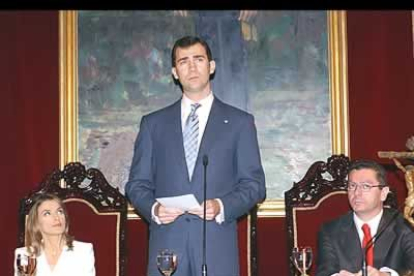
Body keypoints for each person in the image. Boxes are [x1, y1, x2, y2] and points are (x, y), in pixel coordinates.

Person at [125, 35, 266, 276]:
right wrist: (155, 210)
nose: (191, 67)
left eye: (198, 59)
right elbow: (136, 185)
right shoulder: (153, 124)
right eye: (183, 61)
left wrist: (221, 206)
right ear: (174, 72)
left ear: (211, 67)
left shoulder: (239, 123)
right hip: (167, 250)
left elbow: (255, 186)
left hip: (216, 250)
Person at [315, 159, 414, 276]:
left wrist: (388, 275)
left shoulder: (406, 227)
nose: (356, 193)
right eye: (352, 186)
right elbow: (325, 272)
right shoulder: (330, 230)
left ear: (383, 193)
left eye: (365, 186)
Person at [14, 193, 95, 276]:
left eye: (60, 211)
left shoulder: (84, 250)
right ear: (36, 223)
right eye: (47, 213)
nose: (56, 217)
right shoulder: (24, 255)